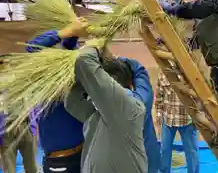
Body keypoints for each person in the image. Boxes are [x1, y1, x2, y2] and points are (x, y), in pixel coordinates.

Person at [158, 0, 218, 166]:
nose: (187, 8)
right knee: (217, 107)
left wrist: (175, 10)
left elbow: (209, 6)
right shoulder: (200, 22)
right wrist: (167, 42)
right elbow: (193, 43)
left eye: (184, 2)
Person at [64, 25, 148, 172]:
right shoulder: (99, 114)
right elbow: (72, 102)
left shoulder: (129, 108)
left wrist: (95, 44)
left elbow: (85, 61)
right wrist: (84, 79)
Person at [26, 26, 85, 173]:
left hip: (83, 154)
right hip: (60, 161)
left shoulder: (77, 83)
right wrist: (65, 32)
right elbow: (32, 48)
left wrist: (74, 35)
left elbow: (70, 49)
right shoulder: (47, 86)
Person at [120, 57, 161, 173]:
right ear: (130, 83)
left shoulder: (100, 107)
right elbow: (140, 71)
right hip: (148, 161)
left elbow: (73, 102)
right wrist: (121, 59)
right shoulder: (141, 101)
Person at [156, 69, 199, 173]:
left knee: (191, 152)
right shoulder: (163, 73)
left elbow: (199, 98)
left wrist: (198, 117)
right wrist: (158, 115)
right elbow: (159, 96)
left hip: (187, 120)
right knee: (165, 150)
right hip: (168, 119)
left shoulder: (190, 73)